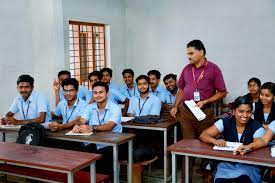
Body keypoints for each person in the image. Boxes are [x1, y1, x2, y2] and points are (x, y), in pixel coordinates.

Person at [170, 39, 227, 180]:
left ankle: (206, 177)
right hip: (186, 112)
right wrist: (176, 106)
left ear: (201, 52)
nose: (188, 56)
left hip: (204, 112)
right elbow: (181, 89)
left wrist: (206, 101)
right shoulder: (187, 69)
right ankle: (185, 179)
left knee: (205, 144)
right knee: (187, 145)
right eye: (187, 54)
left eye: (191, 53)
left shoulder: (213, 68)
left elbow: (222, 92)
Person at [200, 96, 266, 183]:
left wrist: (249, 146)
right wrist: (215, 141)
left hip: (249, 165)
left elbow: (260, 142)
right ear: (234, 111)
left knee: (243, 179)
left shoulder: (257, 127)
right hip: (227, 164)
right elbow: (203, 135)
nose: (245, 115)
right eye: (241, 111)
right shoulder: (225, 122)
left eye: (248, 112)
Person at [72, 81, 122, 176]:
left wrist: (91, 128)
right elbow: (82, 120)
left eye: (101, 92)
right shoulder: (90, 107)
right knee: (77, 155)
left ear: (107, 93)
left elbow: (109, 126)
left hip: (110, 144)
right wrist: (77, 125)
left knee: (102, 166)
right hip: (92, 142)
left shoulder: (115, 108)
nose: (98, 95)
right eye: (95, 93)